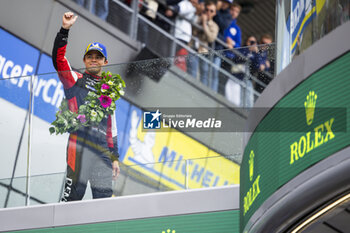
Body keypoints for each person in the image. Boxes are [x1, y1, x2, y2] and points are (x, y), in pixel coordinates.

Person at [52, 12, 120, 201]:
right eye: (89, 56)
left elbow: (111, 131)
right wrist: (64, 30)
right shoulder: (75, 80)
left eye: (98, 57)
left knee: (104, 201)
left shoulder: (109, 92)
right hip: (79, 144)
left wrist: (114, 158)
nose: (93, 59)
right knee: (73, 197)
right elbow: (59, 61)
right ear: (84, 60)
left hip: (102, 151)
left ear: (105, 62)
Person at [187, 0, 219, 87]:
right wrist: (200, 20)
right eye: (207, 10)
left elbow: (211, 38)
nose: (208, 12)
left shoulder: (215, 26)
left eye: (211, 11)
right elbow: (192, 30)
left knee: (204, 74)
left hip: (203, 51)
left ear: (214, 13)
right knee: (192, 72)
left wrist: (205, 24)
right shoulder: (197, 18)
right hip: (192, 48)